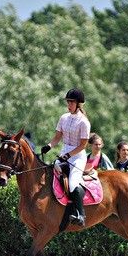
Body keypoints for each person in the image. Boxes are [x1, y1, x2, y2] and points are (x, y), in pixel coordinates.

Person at [41, 88, 91, 227]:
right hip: (64, 155)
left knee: (73, 183)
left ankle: (81, 215)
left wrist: (68, 155)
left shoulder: (84, 122)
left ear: (79, 104)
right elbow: (57, 137)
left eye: (71, 103)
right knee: (49, 175)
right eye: (68, 103)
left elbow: (82, 146)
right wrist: (49, 146)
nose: (69, 105)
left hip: (77, 157)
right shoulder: (64, 118)